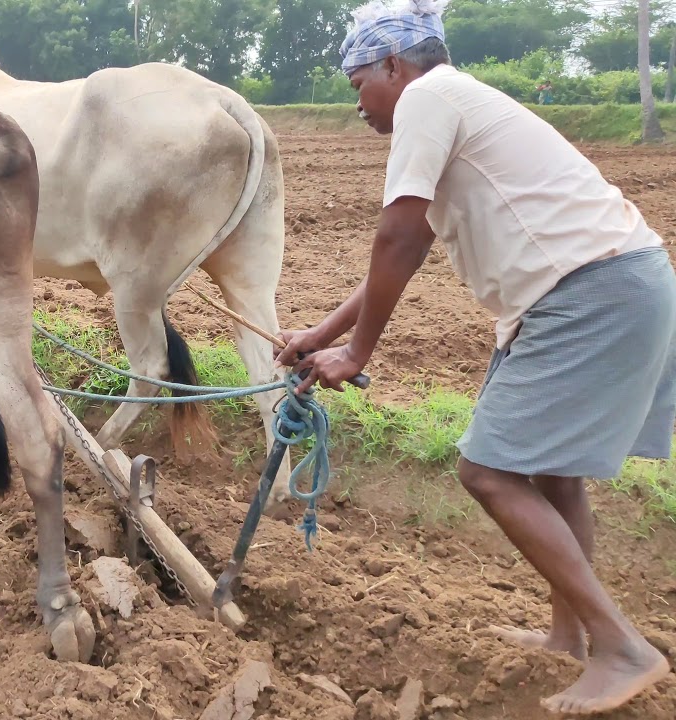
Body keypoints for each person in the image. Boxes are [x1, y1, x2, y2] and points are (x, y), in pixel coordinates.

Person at [274, 0, 675, 714]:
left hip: (589, 290)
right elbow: (417, 240)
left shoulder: (428, 98)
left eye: (358, 81)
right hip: (606, 280)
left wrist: (357, 351)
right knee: (551, 474)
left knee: (487, 471)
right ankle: (569, 637)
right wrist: (324, 333)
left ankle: (622, 647)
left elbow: (397, 237)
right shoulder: (453, 100)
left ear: (394, 66)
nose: (357, 101)